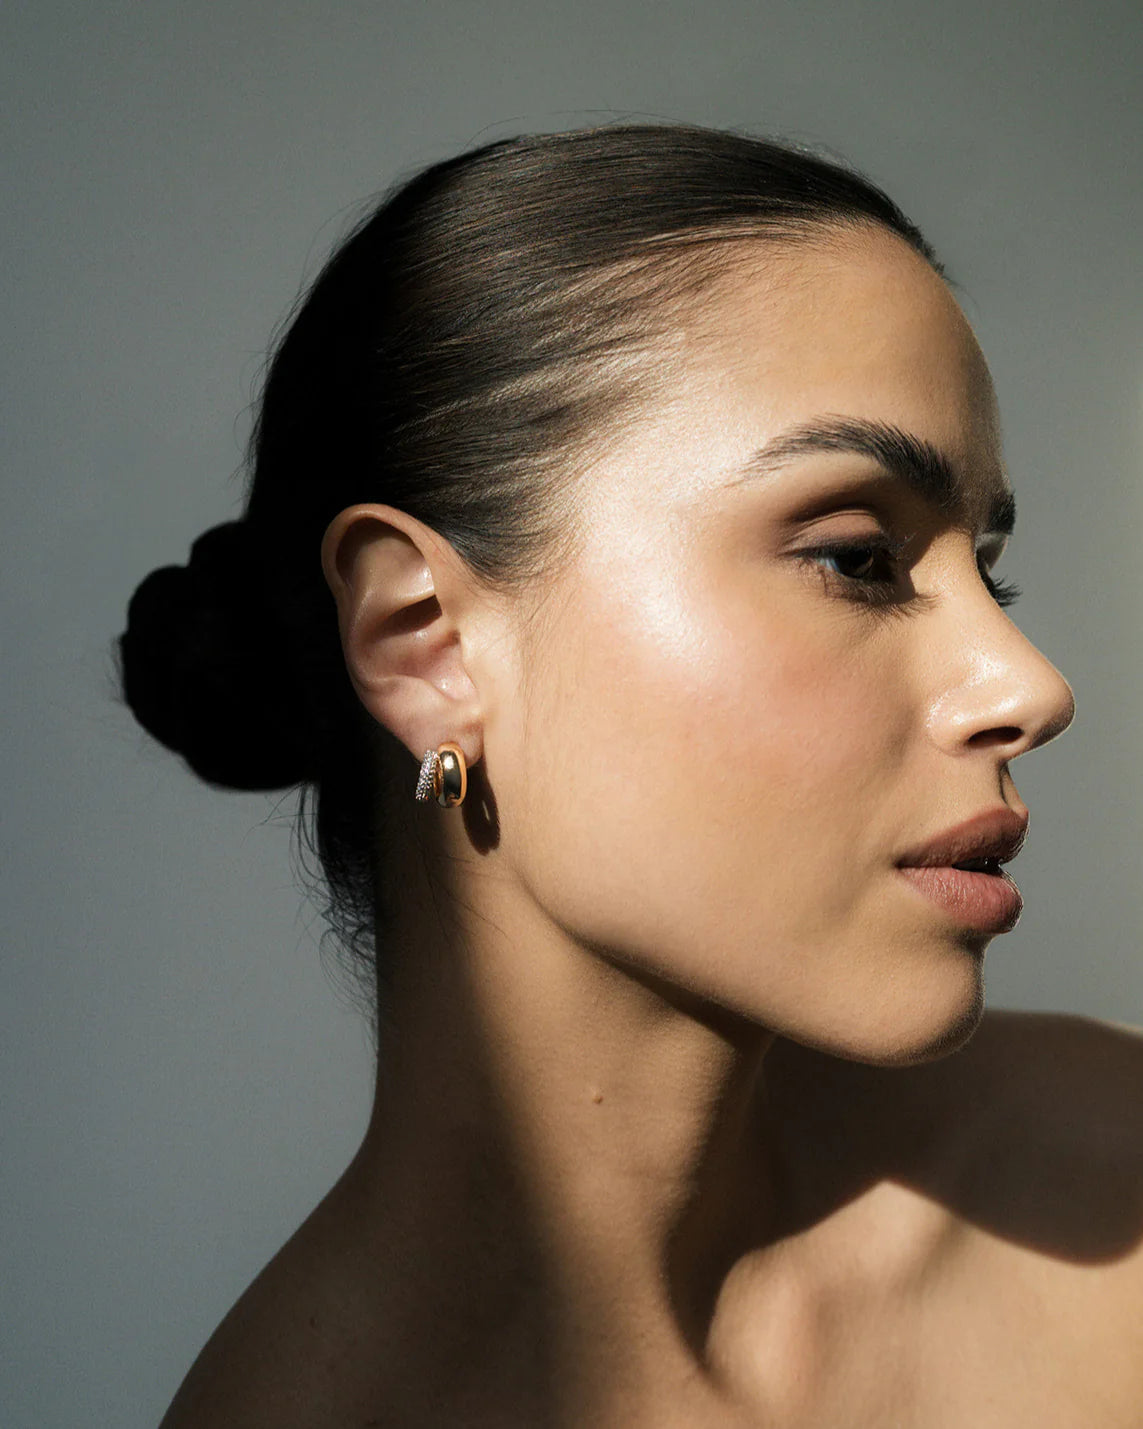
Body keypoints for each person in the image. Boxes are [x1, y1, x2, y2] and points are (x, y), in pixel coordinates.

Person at [120, 125, 1143, 1427]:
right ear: (427, 642)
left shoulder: (1112, 1179)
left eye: (986, 573)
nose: (1030, 687)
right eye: (858, 558)